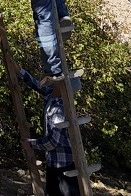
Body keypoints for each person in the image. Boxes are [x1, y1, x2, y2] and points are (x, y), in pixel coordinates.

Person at [19, 67, 80, 196]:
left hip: (62, 167)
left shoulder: (59, 108)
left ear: (62, 86)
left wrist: (30, 143)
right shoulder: (52, 96)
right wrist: (19, 71)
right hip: (54, 163)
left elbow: (53, 142)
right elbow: (37, 85)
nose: (52, 79)